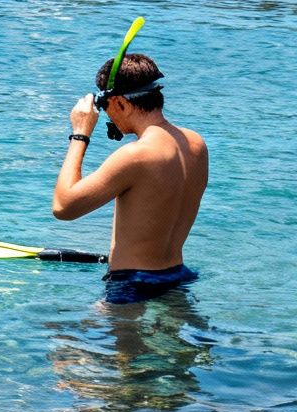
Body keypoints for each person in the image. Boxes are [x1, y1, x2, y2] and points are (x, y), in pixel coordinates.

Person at [51, 52, 208, 303]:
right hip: (177, 277)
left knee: (64, 340)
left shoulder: (135, 156)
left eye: (106, 107)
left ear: (121, 103)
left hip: (133, 285)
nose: (108, 117)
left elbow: (63, 207)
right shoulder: (196, 144)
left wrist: (80, 134)